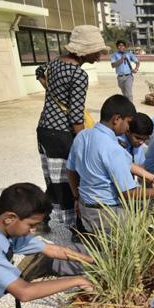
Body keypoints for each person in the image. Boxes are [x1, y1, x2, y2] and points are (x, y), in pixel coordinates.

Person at [0, 183, 93, 308]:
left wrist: (92, 260)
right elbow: (24, 292)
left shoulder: (6, 231)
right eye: (31, 225)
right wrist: (77, 280)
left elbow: (52, 250)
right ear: (9, 218)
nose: (33, 230)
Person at [35, 25, 109, 235]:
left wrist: (51, 90)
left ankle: (42, 219)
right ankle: (76, 227)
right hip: (62, 135)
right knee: (72, 180)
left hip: (44, 130)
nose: (100, 55)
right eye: (97, 51)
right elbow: (76, 116)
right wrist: (84, 142)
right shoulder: (78, 75)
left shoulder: (55, 63)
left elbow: (39, 72)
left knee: (52, 179)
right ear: (85, 51)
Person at [66, 95, 154, 233]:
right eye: (128, 122)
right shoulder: (113, 149)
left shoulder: (83, 135)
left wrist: (76, 197)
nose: (128, 128)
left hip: (86, 207)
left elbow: (70, 170)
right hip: (108, 213)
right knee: (124, 247)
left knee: (99, 247)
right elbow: (127, 193)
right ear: (116, 119)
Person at [117, 112, 154, 186]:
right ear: (128, 131)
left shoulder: (137, 145)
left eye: (144, 139)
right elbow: (125, 166)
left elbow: (141, 167)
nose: (141, 142)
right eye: (137, 138)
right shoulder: (117, 143)